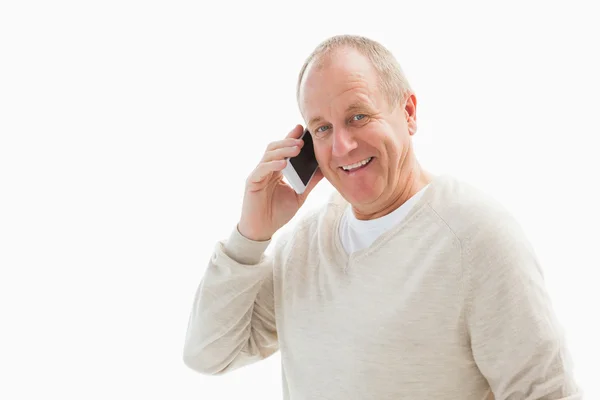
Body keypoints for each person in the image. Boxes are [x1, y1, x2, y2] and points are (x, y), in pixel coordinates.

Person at [182, 35, 582, 400]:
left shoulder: (477, 238)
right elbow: (209, 354)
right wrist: (250, 236)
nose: (342, 145)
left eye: (358, 116)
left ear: (407, 112)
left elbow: (546, 393)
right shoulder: (303, 247)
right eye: (322, 128)